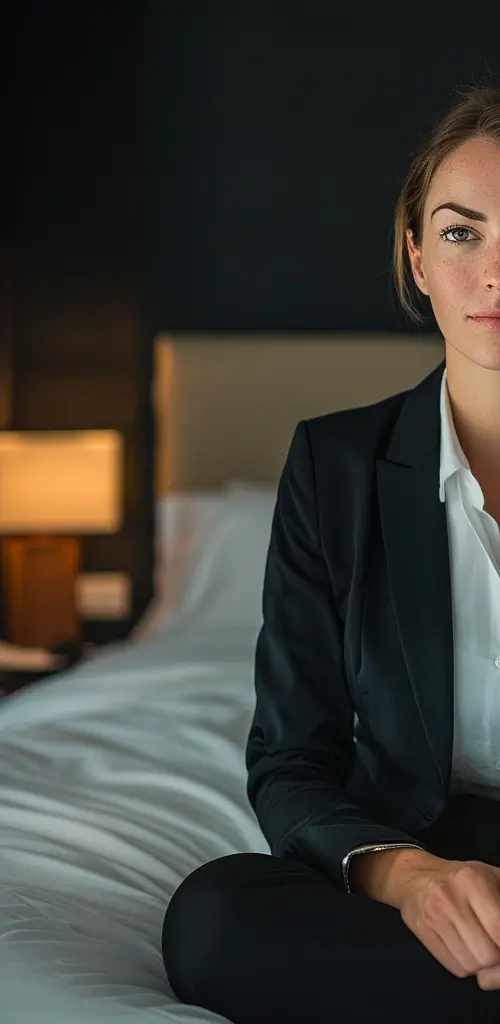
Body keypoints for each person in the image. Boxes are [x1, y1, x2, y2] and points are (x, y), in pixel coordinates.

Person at [162, 79, 500, 1023]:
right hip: (418, 852)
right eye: (462, 232)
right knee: (215, 919)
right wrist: (409, 880)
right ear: (418, 258)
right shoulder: (336, 464)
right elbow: (292, 756)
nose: (494, 273)